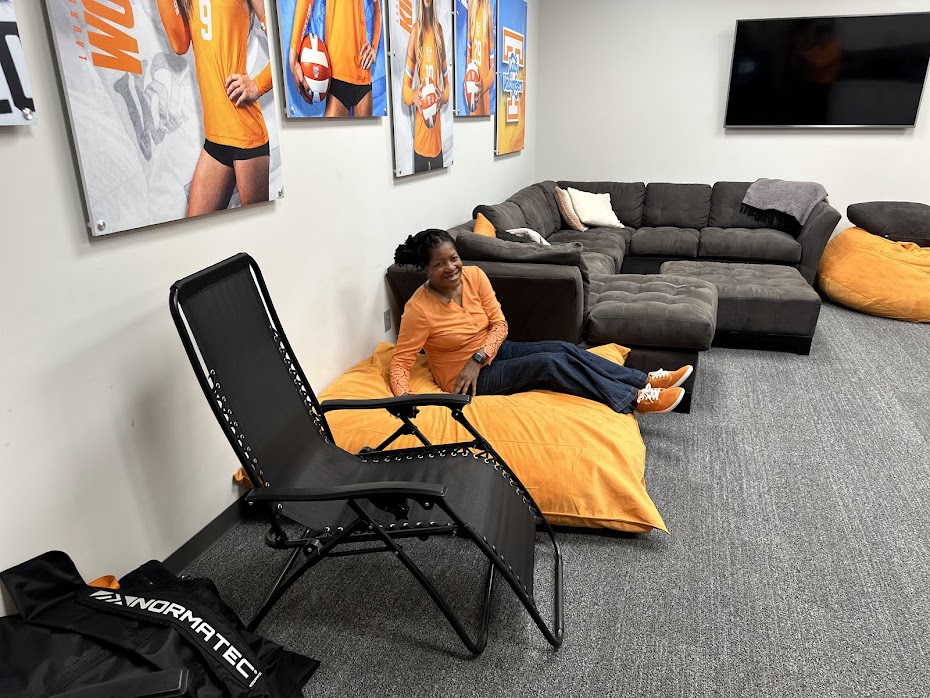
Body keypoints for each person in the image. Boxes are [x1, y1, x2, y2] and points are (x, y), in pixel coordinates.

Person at [390, 230, 692, 415]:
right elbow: (401, 361)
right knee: (548, 363)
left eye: (453, 258)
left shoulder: (475, 276)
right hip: (465, 380)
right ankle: (635, 399)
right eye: (439, 264)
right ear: (425, 269)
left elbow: (500, 324)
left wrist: (479, 357)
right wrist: (404, 398)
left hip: (489, 353)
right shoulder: (419, 309)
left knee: (562, 348)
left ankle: (644, 380)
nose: (452, 267)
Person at [156, 0, 272, 215]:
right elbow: (179, 44)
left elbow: (283, 41)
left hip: (245, 133)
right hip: (216, 139)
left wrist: (258, 85)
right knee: (195, 235)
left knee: (258, 232)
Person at [288, 0, 382, 116]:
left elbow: (377, 8)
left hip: (363, 73)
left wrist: (374, 47)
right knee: (331, 133)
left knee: (367, 134)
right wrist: (293, 54)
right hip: (336, 73)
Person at [402, 0, 450, 172]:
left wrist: (443, 96)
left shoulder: (438, 31)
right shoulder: (416, 31)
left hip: (436, 141)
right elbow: (405, 90)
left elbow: (447, 84)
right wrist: (413, 95)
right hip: (420, 142)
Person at [464, 0, 494, 115]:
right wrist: (467, 75)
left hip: (483, 90)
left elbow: (493, 68)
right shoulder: (471, 5)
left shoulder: (488, 11)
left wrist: (484, 86)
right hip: (472, 84)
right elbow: (469, 50)